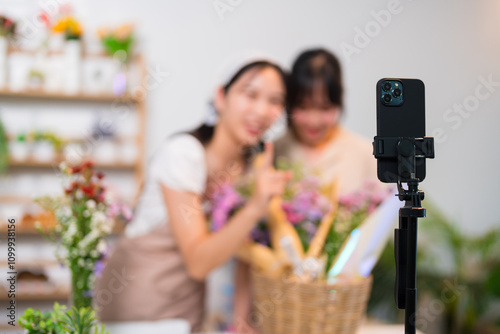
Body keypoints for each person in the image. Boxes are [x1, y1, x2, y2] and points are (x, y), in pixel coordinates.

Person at [95, 55, 291, 332]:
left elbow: (246, 249)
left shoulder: (252, 169)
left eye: (275, 101)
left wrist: (241, 319)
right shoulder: (183, 154)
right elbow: (199, 262)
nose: (262, 110)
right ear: (221, 97)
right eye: (251, 95)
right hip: (140, 308)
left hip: (186, 313)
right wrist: (256, 207)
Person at [275, 48, 377, 195]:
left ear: (339, 102)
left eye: (325, 108)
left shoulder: (367, 154)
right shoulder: (273, 153)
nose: (314, 121)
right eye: (303, 107)